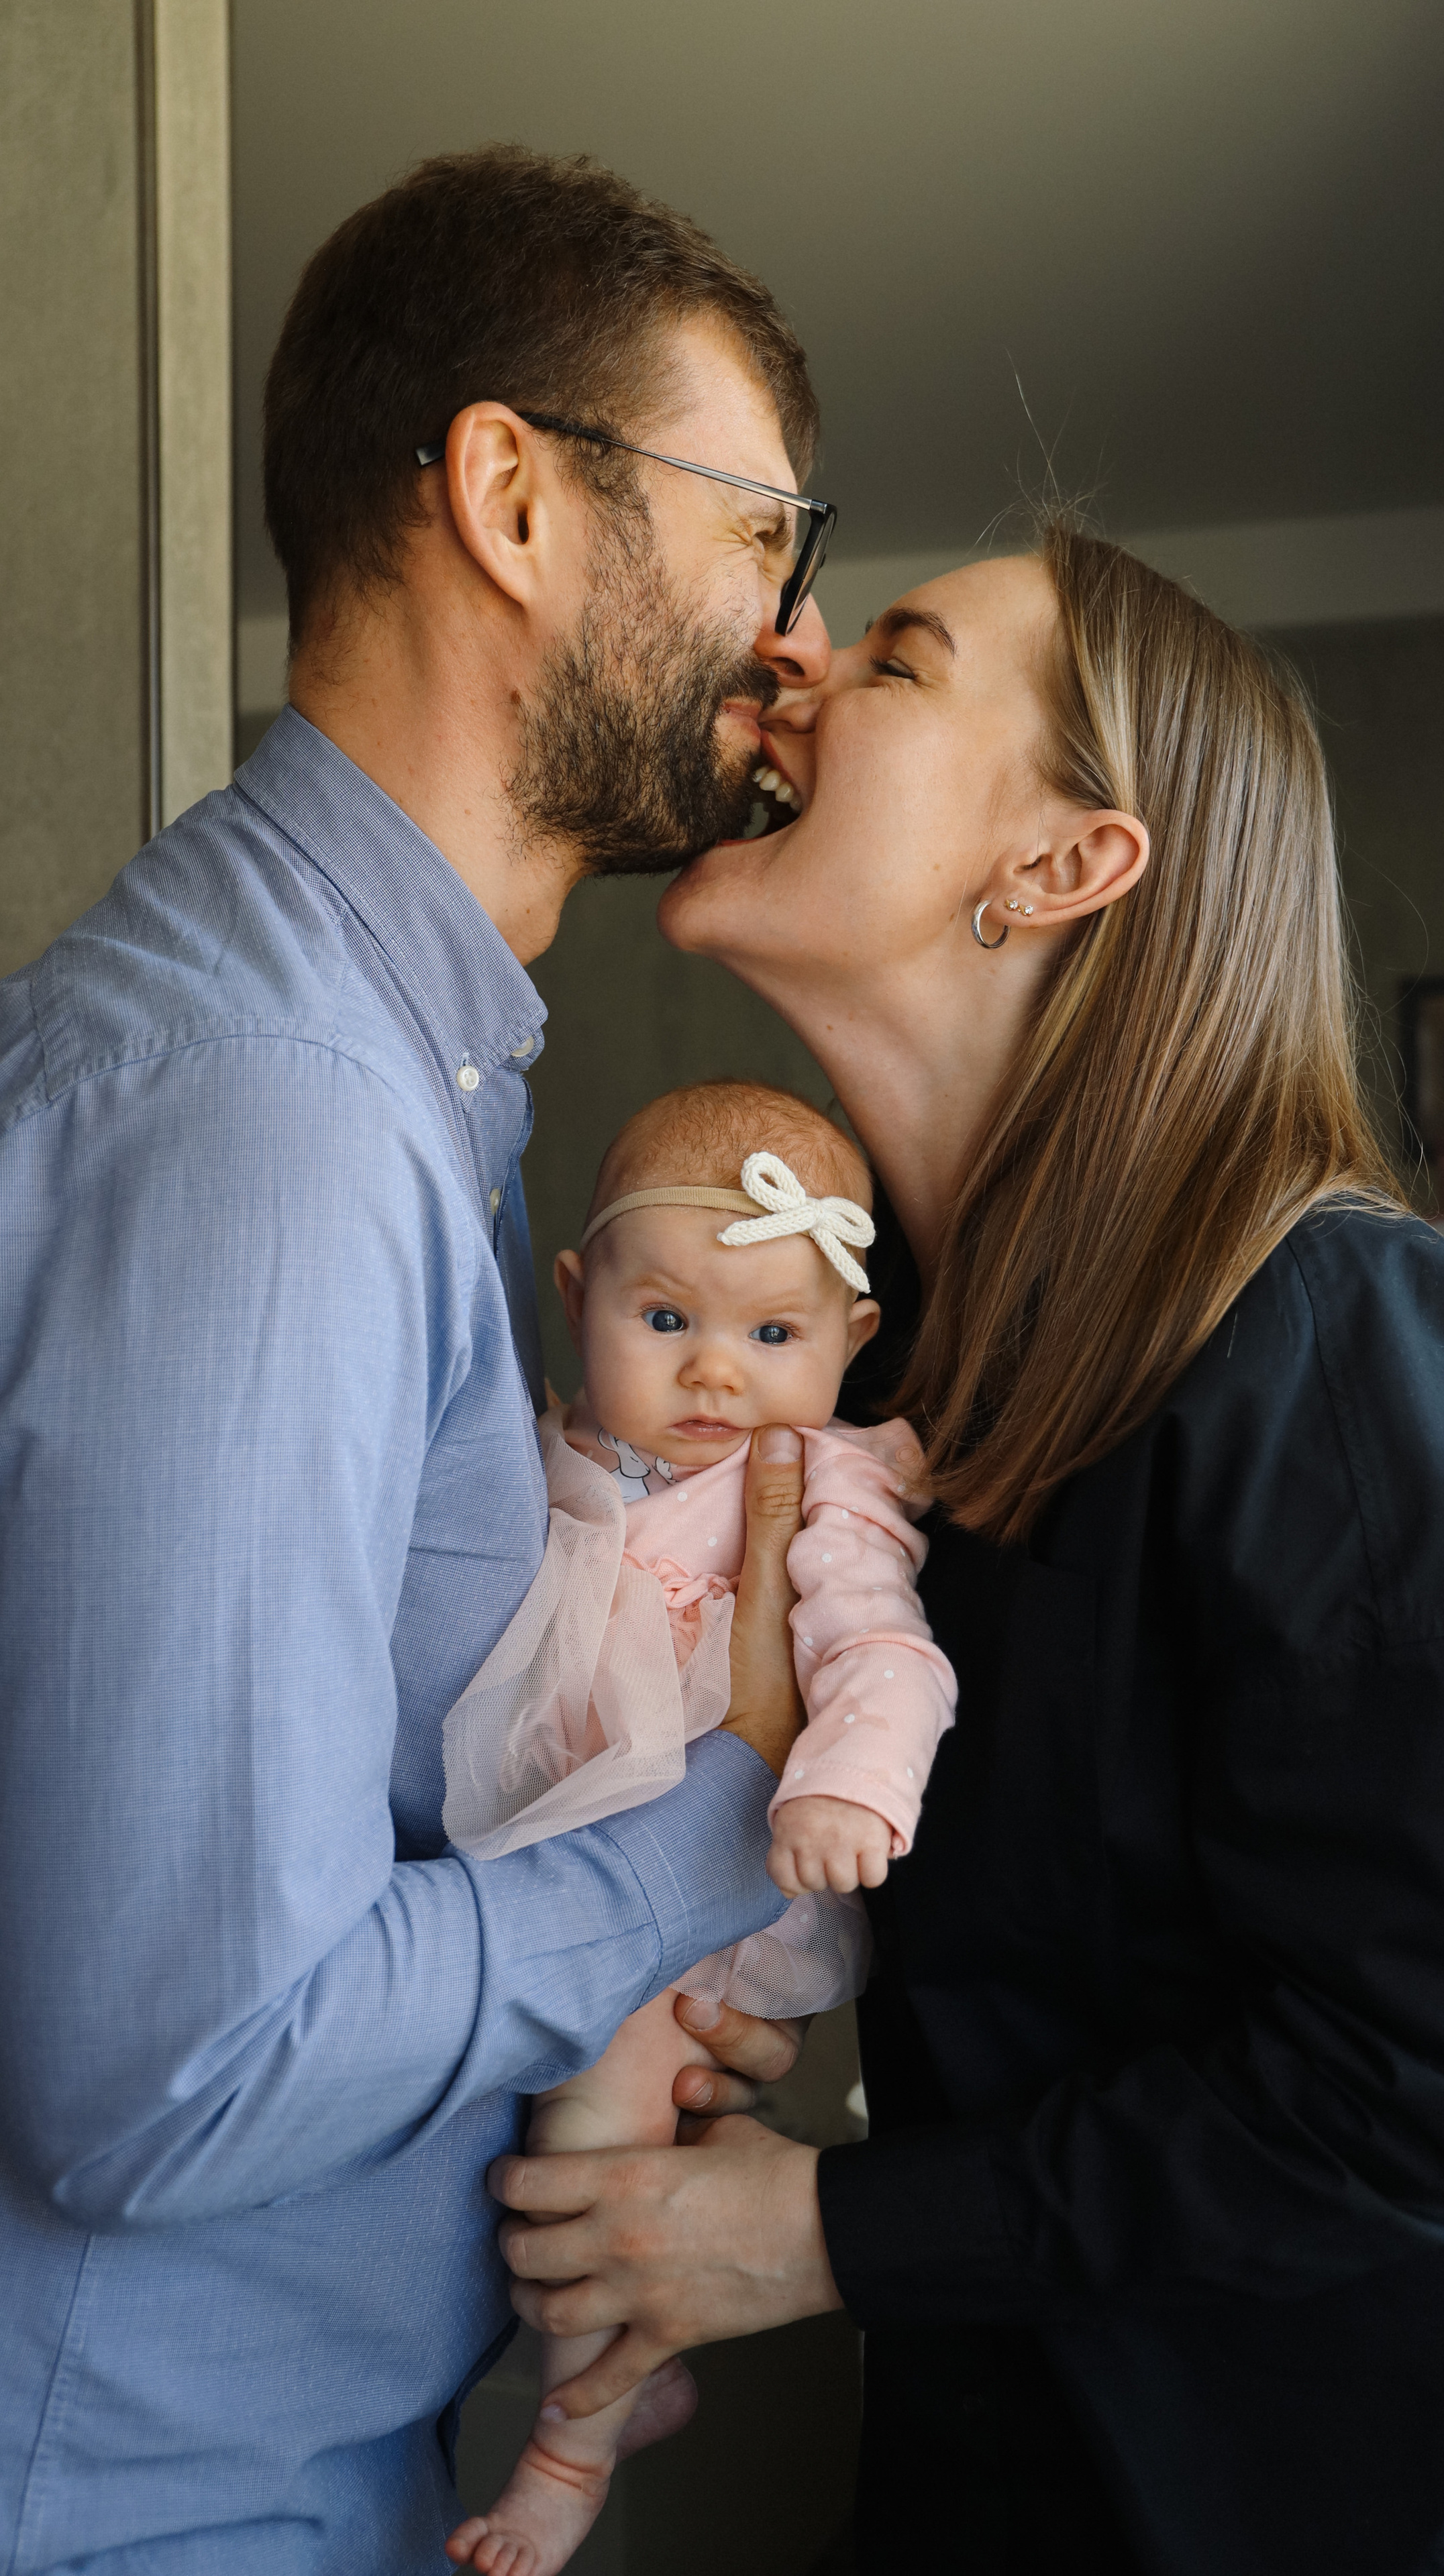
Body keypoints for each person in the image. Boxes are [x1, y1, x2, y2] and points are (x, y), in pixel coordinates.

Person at [488, 528, 1444, 2573]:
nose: (789, 662)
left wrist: (816, 2229)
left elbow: (1416, 2088)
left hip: (1382, 2504)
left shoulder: (1337, 1341)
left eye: (893, 658)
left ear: (1058, 867)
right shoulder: (916, 1397)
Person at [0, 150, 834, 2571]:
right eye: (754, 529)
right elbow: (166, 2072)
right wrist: (707, 1839)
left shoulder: (397, 1086)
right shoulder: (273, 1122)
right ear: (512, 501)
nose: (790, 637)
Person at [444, 1078, 956, 2575]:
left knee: (588, 2160)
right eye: (665, 1322)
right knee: (537, 2149)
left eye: (773, 1335)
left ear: (850, 1342)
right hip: (562, 1867)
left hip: (718, 1884)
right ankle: (637, 2372)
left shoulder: (824, 1492)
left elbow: (883, 1657)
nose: (716, 1373)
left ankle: (569, 2448)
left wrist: (846, 1785)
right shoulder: (552, 1455)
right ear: (575, 1293)